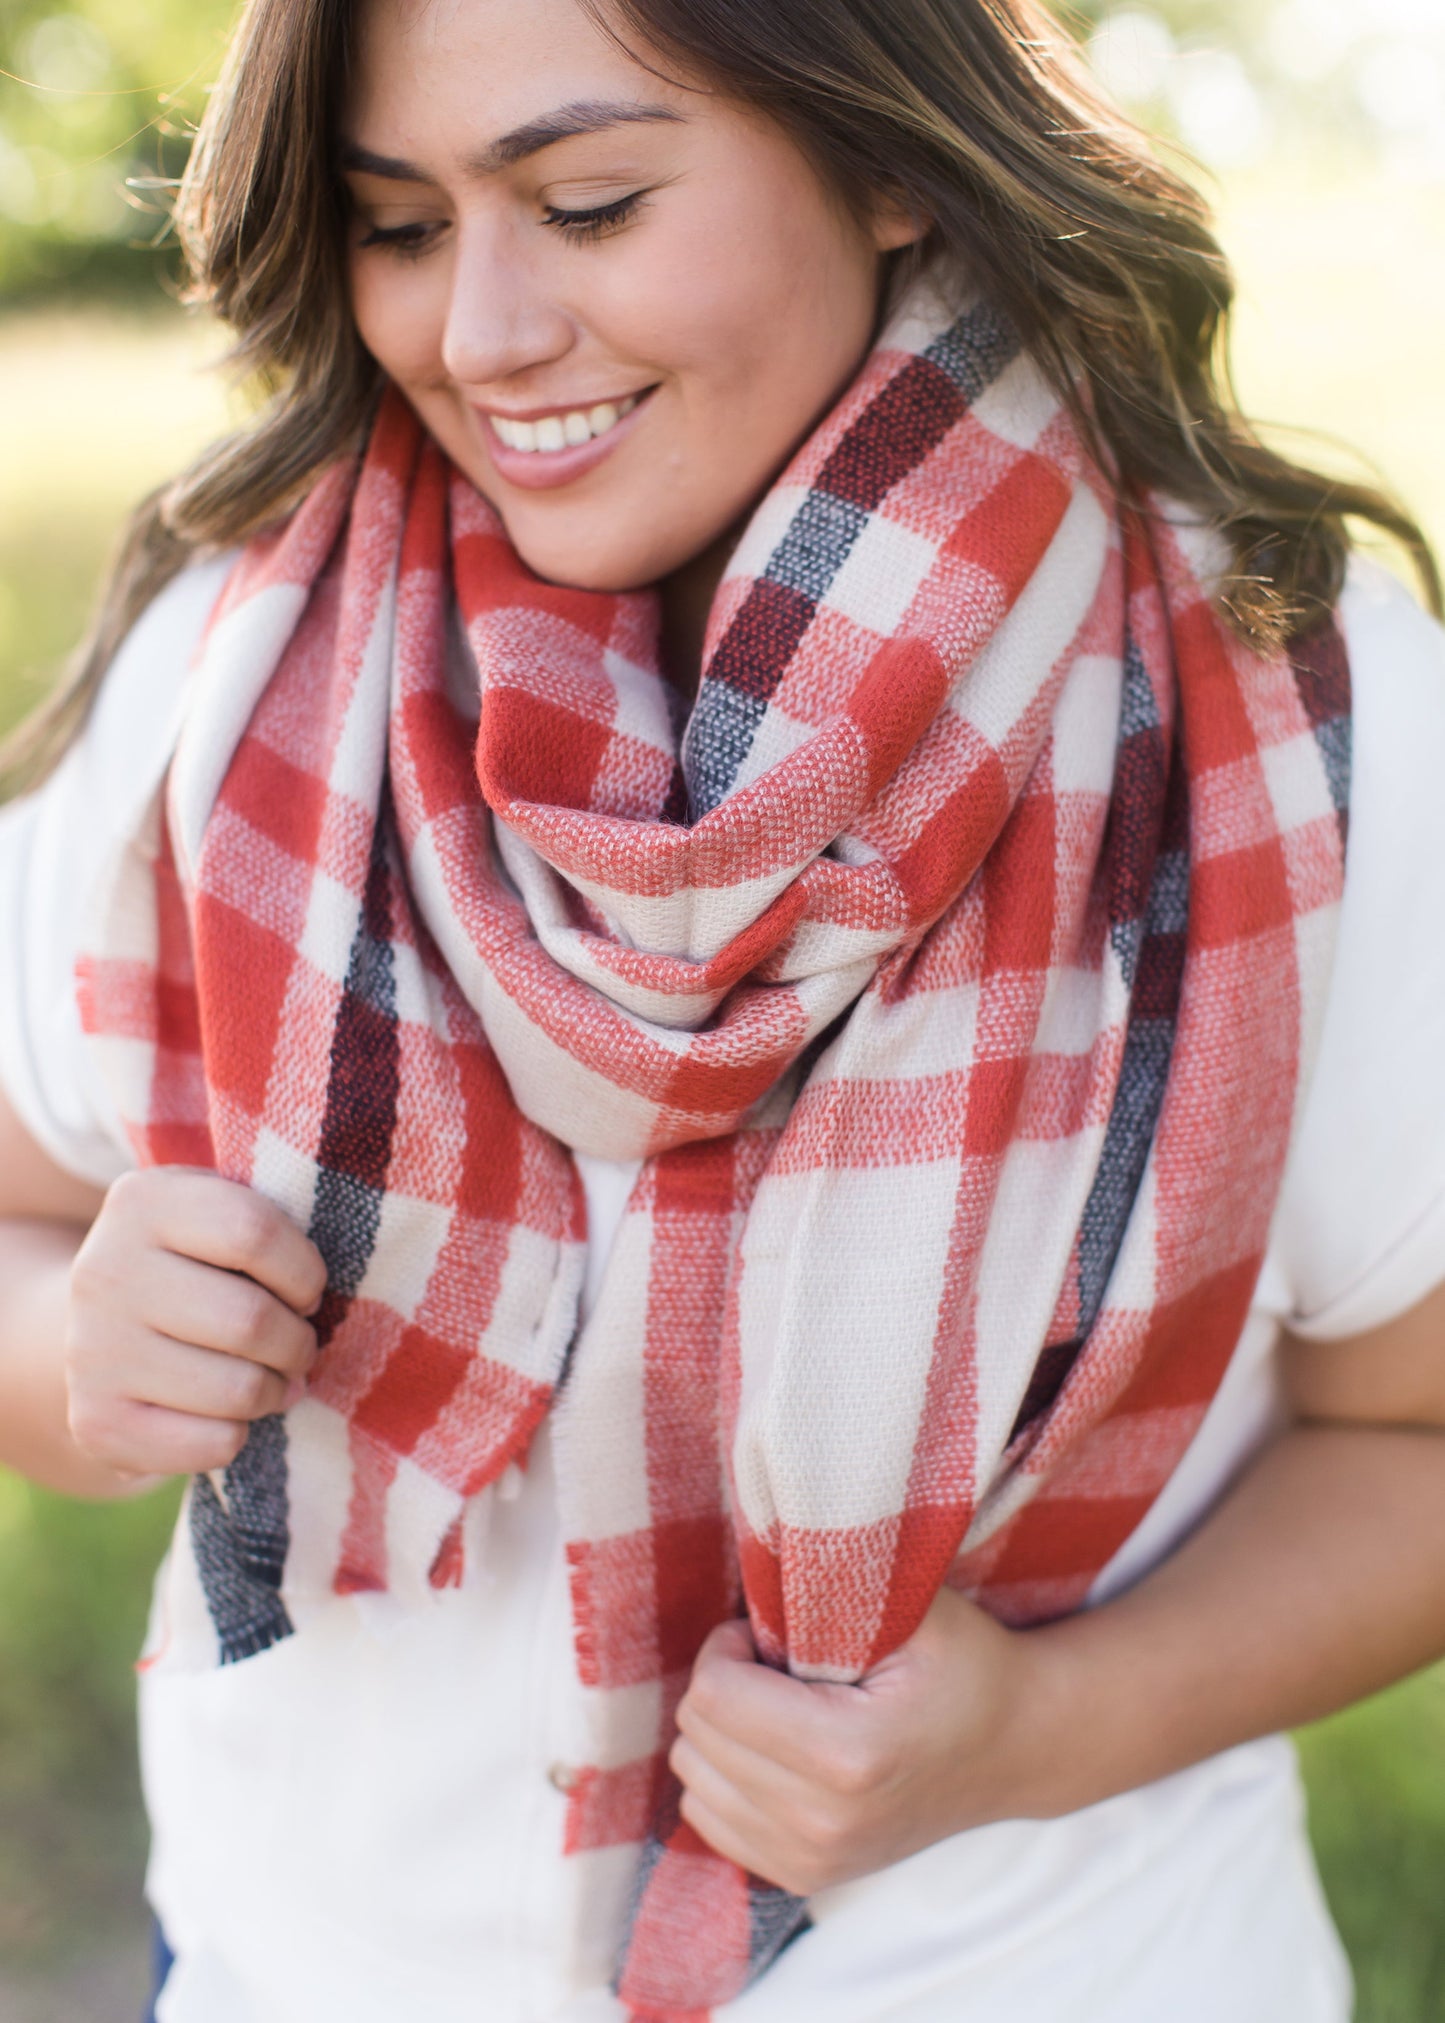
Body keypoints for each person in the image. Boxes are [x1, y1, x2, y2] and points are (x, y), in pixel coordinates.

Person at [2, 0, 1444, 2017]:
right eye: (398, 225)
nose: (481, 334)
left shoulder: (1284, 706)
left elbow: (1424, 1434)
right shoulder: (237, 663)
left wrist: (1039, 1729)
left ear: (887, 155)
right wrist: (79, 1346)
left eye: (587, 202)